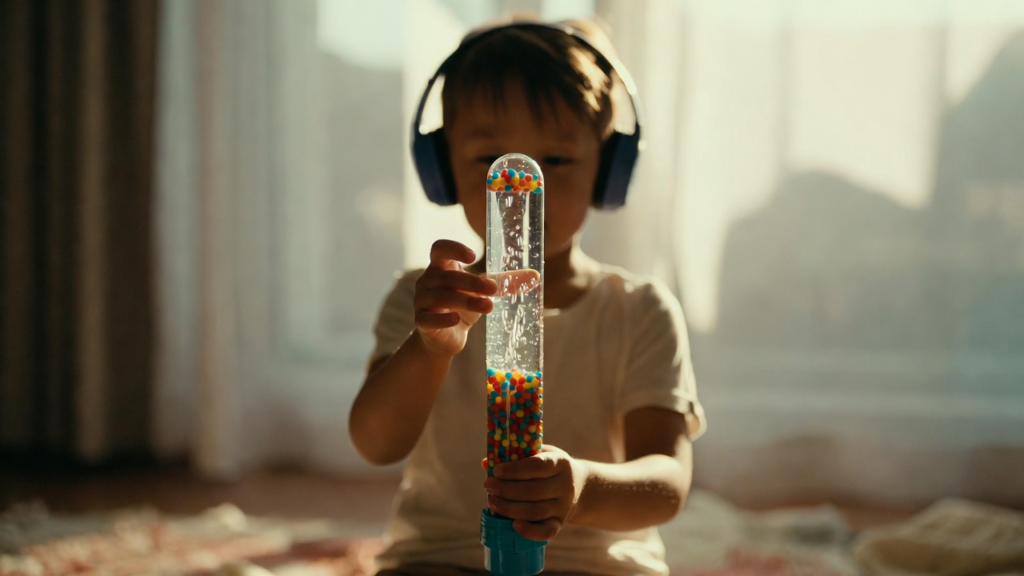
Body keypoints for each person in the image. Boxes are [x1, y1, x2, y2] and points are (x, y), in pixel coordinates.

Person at [349, 17, 706, 576]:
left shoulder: (641, 311)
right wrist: (429, 347)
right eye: (488, 157)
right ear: (442, 169)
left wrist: (584, 489)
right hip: (441, 559)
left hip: (598, 566)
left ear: (608, 170)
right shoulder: (421, 300)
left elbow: (667, 478)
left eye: (557, 160)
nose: (521, 185)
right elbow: (374, 443)